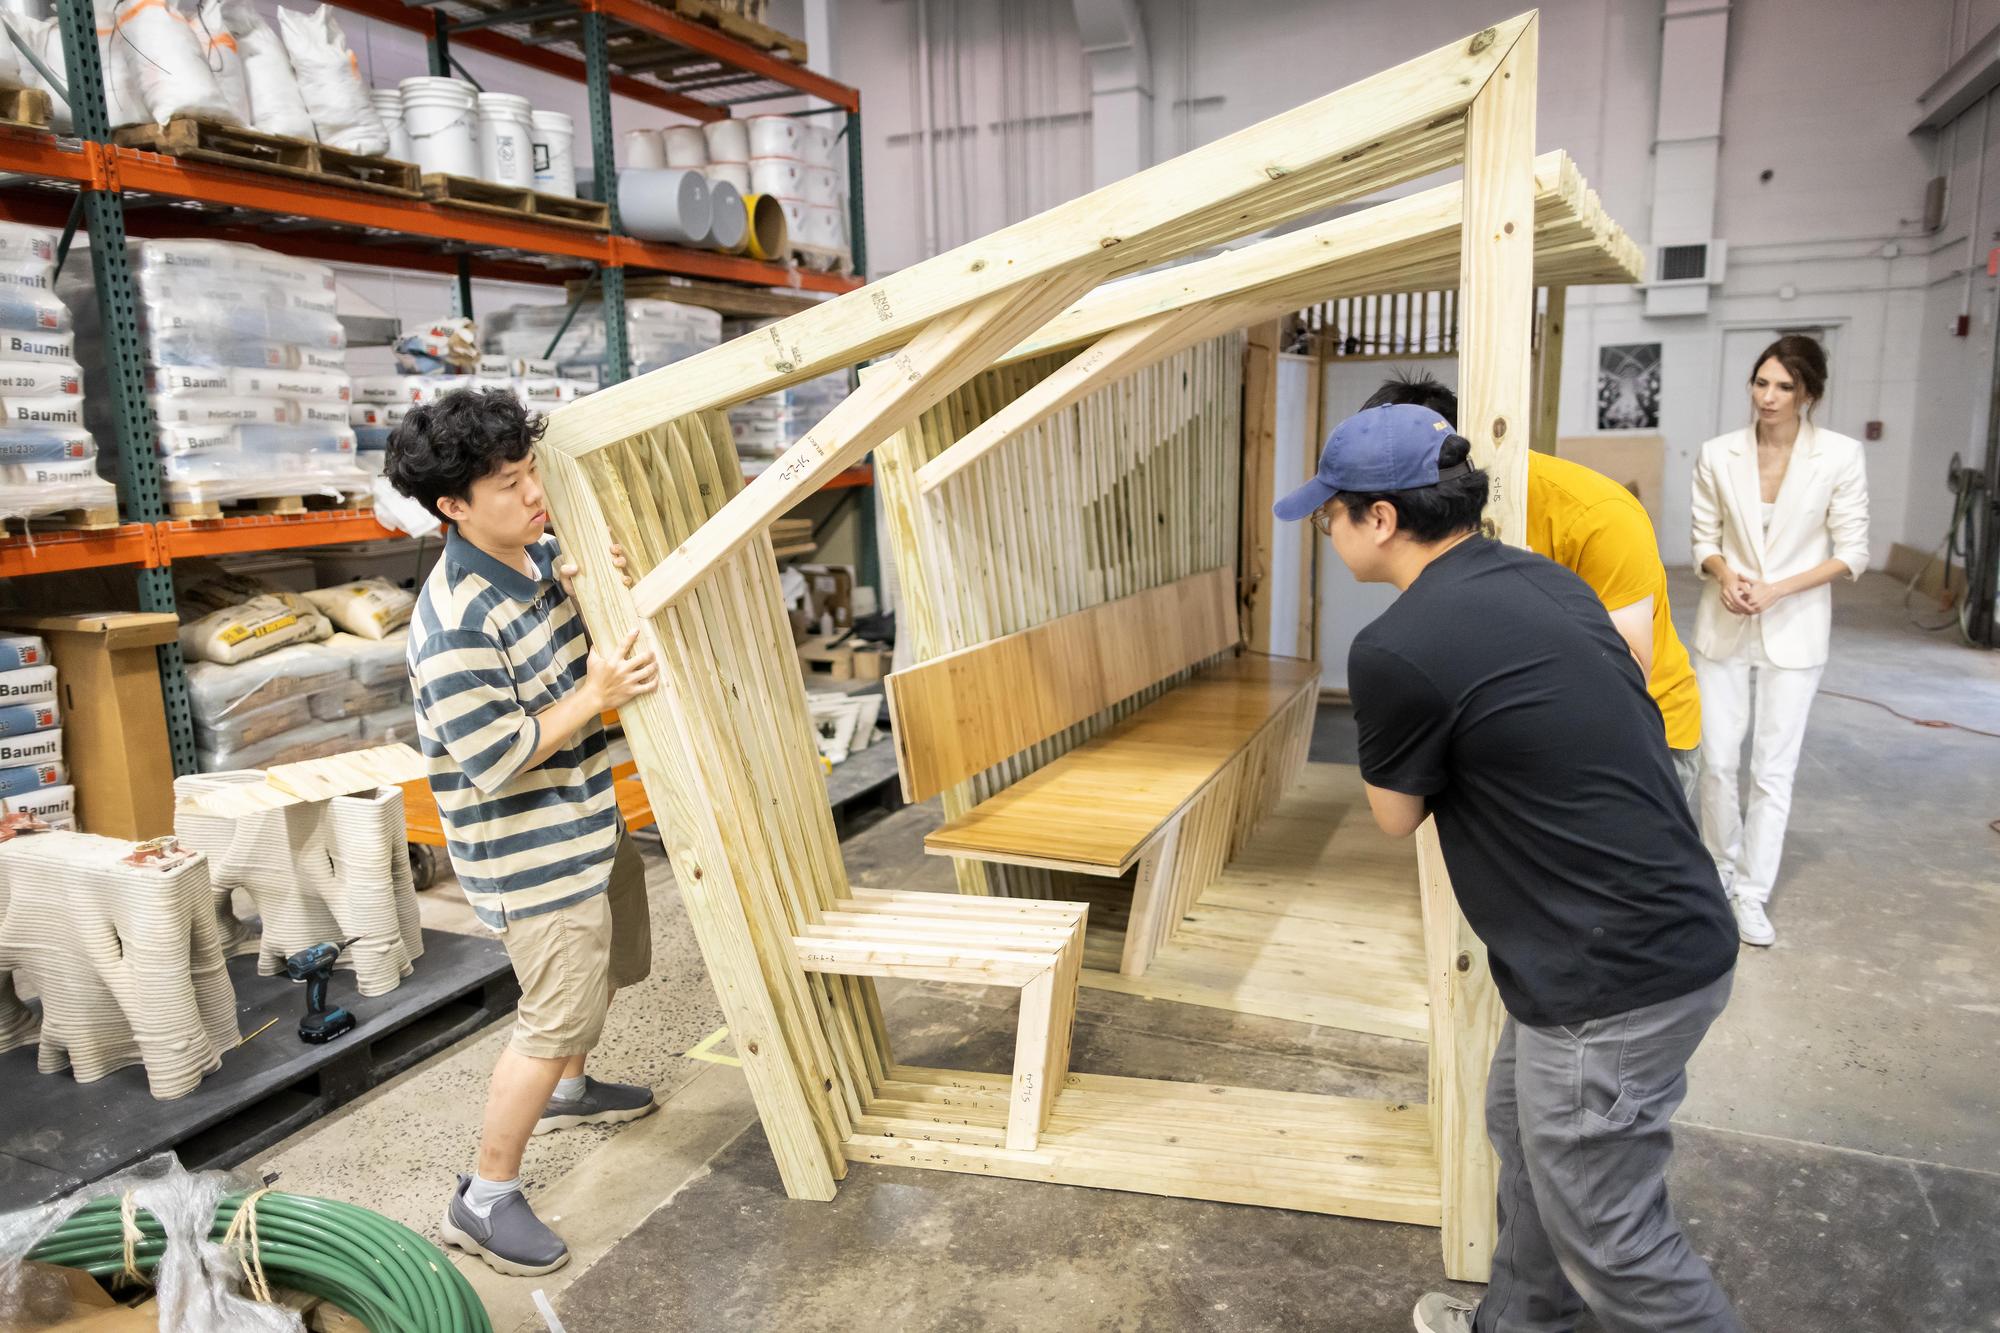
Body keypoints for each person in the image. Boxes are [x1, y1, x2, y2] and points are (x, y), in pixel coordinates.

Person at [1273, 403, 1742, 1333]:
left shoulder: (1394, 648)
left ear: (1381, 519)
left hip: (1613, 973)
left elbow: (1393, 815)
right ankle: (1522, 1323)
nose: (1325, 528)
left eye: (1332, 510)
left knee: (1617, 1243)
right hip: (1653, 924)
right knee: (1522, 1133)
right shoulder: (1547, 581)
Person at [386, 389, 662, 1276]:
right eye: (509, 484)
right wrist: (598, 695)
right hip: (527, 852)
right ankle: (485, 1192)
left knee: (605, 968)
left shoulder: (534, 555)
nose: (533, 493)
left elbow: (574, 590)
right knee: (549, 1016)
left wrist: (598, 575)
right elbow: (495, 758)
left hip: (583, 815)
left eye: (530, 470)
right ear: (452, 507)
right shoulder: (456, 620)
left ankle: (572, 1089)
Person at [1364, 375, 1702, 800]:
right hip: (1527, 731)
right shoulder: (1429, 516)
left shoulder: (1598, 515)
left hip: (1641, 736)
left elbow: (1625, 672)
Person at [1690, 335, 1869, 947]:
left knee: (1772, 770)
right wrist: (1724, 573)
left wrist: (1779, 588)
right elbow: (1702, 538)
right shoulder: (1718, 454)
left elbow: (1853, 552)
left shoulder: (1840, 457)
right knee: (1716, 760)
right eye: (1761, 382)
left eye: (1785, 386)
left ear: (1809, 394)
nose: (1769, 396)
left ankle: (1752, 893)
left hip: (1795, 628)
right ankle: (1719, 869)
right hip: (1725, 619)